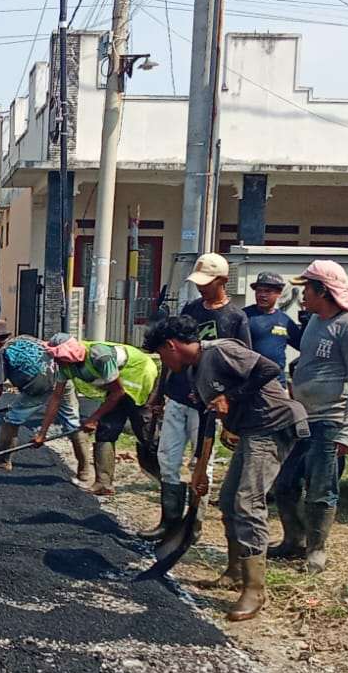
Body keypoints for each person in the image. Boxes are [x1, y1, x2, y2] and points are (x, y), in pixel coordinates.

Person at [143, 315, 307, 621]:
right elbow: (208, 419)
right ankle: (234, 571)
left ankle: (255, 590)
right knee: (229, 499)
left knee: (248, 502)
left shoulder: (219, 351)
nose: (165, 363)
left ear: (172, 345)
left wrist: (229, 396)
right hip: (250, 430)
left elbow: (269, 368)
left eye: (163, 355)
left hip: (274, 425)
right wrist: (200, 471)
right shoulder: (194, 372)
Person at [145, 252, 252, 541]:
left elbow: (243, 364)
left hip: (208, 403)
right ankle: (168, 521)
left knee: (201, 463)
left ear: (223, 281)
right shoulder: (191, 308)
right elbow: (171, 353)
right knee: (167, 457)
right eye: (199, 283)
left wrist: (229, 402)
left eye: (207, 283)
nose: (201, 288)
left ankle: (194, 523)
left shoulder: (235, 318)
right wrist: (159, 393)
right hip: (179, 395)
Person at [274, 259, 348, 572]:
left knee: (320, 488)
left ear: (324, 291)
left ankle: (316, 551)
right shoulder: (315, 322)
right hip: (304, 418)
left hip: (330, 421)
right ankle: (294, 541)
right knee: (285, 483)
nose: (303, 295)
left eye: (308, 289)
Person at [34, 333, 161, 497]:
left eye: (58, 356)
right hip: (118, 384)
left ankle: (168, 478)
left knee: (144, 431)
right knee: (106, 430)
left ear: (68, 353)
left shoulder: (99, 356)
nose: (56, 361)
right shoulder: (66, 367)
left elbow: (118, 392)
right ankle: (103, 483)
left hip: (139, 376)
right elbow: (56, 398)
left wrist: (93, 418)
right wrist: (42, 434)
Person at [0, 318, 93, 487]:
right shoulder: (26, 338)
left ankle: (3, 460)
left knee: (12, 419)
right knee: (72, 424)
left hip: (38, 388)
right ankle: (84, 472)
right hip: (62, 378)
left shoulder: (1, 354)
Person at [242, 271, 301, 372]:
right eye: (259, 291)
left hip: (276, 381)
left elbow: (304, 347)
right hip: (250, 380)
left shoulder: (285, 321)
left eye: (268, 291)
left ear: (279, 293)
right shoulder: (244, 316)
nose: (262, 295)